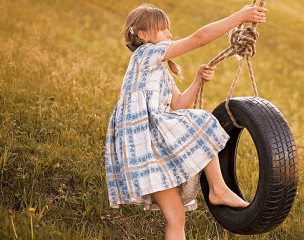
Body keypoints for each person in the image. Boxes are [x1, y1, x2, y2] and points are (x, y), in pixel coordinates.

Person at [105, 3, 267, 239]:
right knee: (202, 121)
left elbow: (179, 103)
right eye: (163, 30)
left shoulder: (158, 70)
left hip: (148, 152)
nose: (169, 34)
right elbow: (199, 38)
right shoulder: (146, 54)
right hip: (145, 144)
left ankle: (218, 189)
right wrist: (239, 16)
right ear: (143, 36)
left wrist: (198, 80)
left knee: (177, 218)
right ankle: (218, 189)